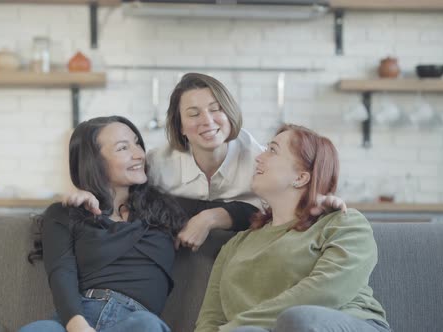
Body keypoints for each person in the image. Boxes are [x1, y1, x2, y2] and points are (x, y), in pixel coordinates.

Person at [65, 73, 346, 251]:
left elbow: (294, 199)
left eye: (216, 109)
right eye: (193, 113)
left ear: (230, 114)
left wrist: (211, 217)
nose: (208, 121)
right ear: (180, 126)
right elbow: (120, 193)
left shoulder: (258, 160)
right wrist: (89, 192)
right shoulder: (158, 164)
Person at [195, 124, 390, 332]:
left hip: (346, 323)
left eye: (272, 150)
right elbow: (210, 319)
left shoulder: (343, 223)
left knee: (298, 319)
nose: (259, 157)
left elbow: (325, 292)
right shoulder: (234, 246)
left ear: (301, 177)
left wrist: (234, 328)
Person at [20, 116, 189, 332]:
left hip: (135, 321)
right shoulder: (64, 213)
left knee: (147, 325)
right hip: (76, 320)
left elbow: (243, 212)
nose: (139, 154)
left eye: (137, 143)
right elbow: (61, 272)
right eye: (123, 148)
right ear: (94, 161)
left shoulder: (165, 209)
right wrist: (77, 325)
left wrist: (209, 219)